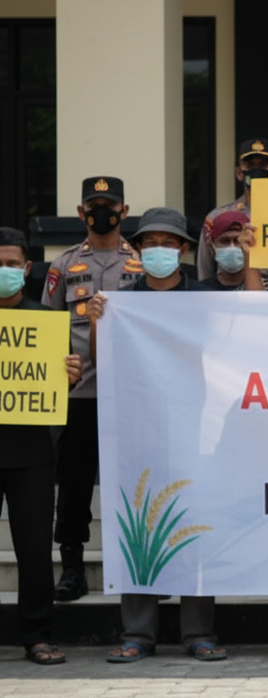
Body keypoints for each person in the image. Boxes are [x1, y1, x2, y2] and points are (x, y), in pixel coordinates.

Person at [85, 207, 226, 663]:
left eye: (168, 244)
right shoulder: (122, 300)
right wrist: (95, 321)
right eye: (150, 244)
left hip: (194, 429)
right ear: (138, 249)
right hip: (138, 431)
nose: (158, 251)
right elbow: (100, 362)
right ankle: (138, 634)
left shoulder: (203, 297)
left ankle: (198, 633)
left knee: (194, 527)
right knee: (138, 521)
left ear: (184, 250)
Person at [42, 176, 143, 601]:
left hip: (133, 397)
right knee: (75, 482)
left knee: (137, 483)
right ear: (82, 213)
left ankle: (139, 563)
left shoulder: (142, 262)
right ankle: (71, 567)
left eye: (110, 203)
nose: (102, 211)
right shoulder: (63, 265)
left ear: (124, 210)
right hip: (79, 393)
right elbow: (47, 330)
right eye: (94, 204)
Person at [0, 227, 82, 665]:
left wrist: (67, 376)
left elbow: (56, 390)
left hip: (31, 452)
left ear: (27, 269)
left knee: (34, 550)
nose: (4, 271)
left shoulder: (46, 323)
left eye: (12, 264)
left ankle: (37, 635)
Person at [197, 138, 268, 290]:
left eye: (264, 164)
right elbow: (205, 273)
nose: (257, 170)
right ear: (239, 172)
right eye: (250, 165)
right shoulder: (216, 218)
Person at [202, 211, 268, 291]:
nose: (232, 247)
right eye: (225, 241)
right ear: (213, 245)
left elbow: (257, 301)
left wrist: (247, 253)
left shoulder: (266, 285)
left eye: (238, 241)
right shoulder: (203, 290)